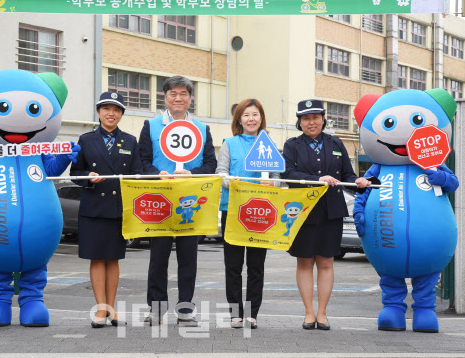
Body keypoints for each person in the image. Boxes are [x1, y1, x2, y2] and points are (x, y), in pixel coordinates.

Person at [281, 99, 370, 331]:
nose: (311, 122)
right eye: (306, 118)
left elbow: (347, 175)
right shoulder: (292, 145)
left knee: (326, 261)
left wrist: (358, 182)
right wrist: (317, 180)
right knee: (305, 261)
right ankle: (309, 313)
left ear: (323, 119)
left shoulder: (336, 143)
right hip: (303, 211)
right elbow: (288, 174)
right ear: (299, 122)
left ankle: (322, 313)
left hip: (332, 210)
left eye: (315, 117)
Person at [138, 75, 217, 325]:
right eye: (173, 93)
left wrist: (192, 173)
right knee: (158, 257)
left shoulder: (202, 129)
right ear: (165, 97)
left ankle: (185, 309)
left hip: (190, 201)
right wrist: (156, 173)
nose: (178, 98)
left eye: (183, 93)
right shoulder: (151, 126)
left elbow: (211, 164)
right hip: (159, 199)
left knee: (188, 258)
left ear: (190, 98)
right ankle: (156, 309)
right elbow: (142, 161)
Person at [70, 92, 143, 328]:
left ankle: (112, 310)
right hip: (93, 208)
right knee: (97, 258)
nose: (111, 113)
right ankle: (100, 309)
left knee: (113, 259)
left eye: (116, 110)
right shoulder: (86, 139)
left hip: (117, 208)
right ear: (99, 112)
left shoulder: (131, 141)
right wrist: (88, 177)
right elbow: (75, 173)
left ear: (121, 114)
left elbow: (138, 175)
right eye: (106, 109)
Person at [216, 98, 279, 329]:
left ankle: (252, 314)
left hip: (260, 213)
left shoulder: (269, 144)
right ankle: (235, 314)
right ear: (239, 120)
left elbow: (277, 177)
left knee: (256, 266)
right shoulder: (229, 143)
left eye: (255, 114)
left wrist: (274, 184)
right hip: (232, 210)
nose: (251, 119)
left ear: (261, 118)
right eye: (246, 115)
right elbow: (221, 172)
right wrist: (231, 182)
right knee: (232, 266)